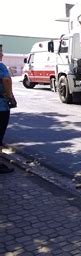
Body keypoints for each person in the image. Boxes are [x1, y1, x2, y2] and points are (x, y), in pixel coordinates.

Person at [0, 44, 15, 174]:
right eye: (0, 52)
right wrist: (10, 96)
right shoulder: (1, 67)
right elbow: (6, 80)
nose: (2, 55)